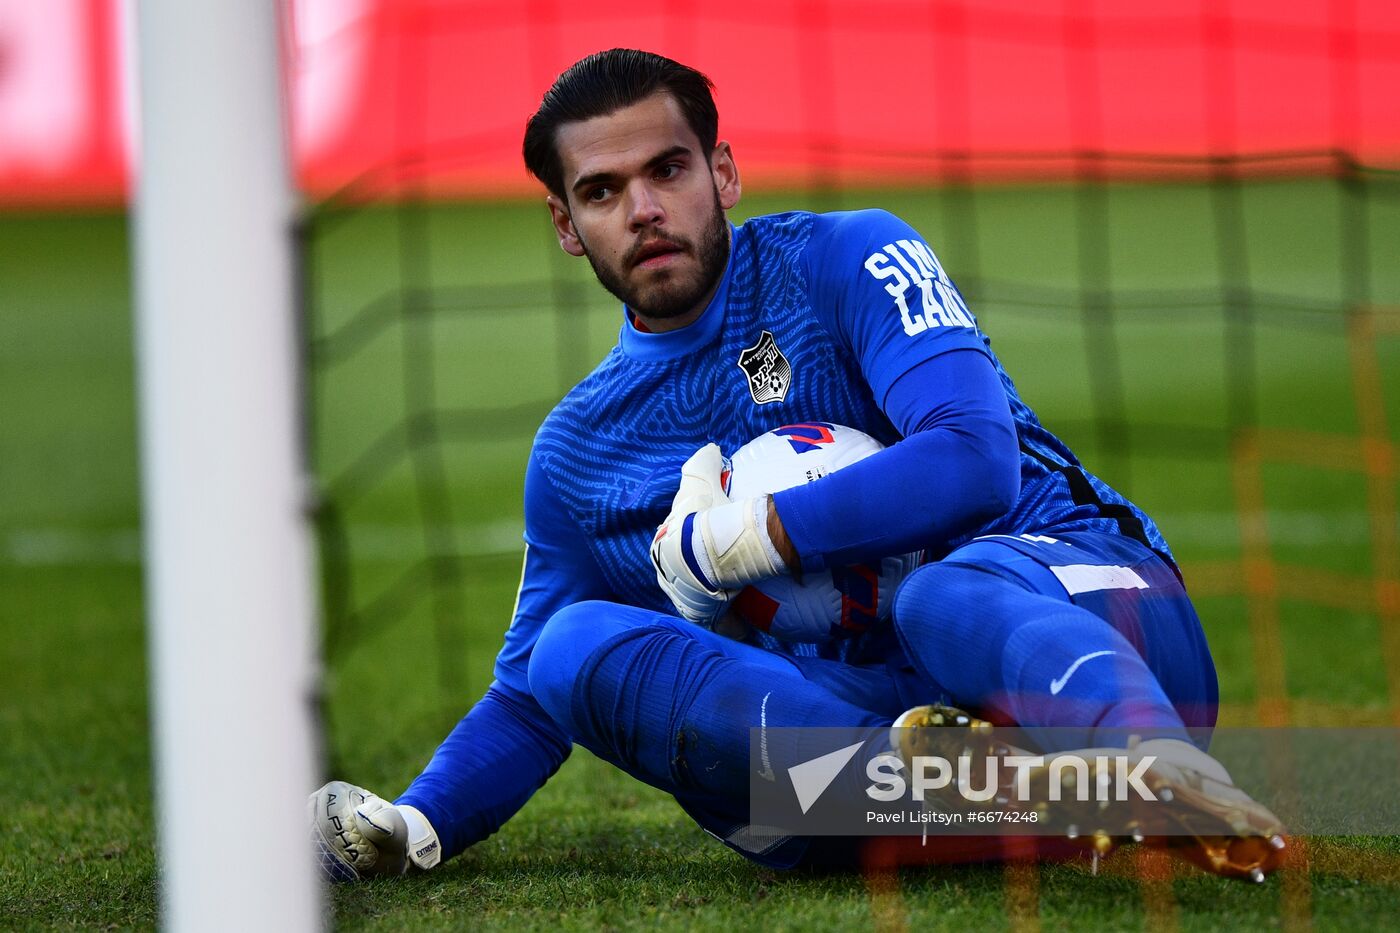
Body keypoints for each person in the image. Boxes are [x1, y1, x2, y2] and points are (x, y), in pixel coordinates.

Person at [311, 48, 1284, 885]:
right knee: (572, 647)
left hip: (1084, 613)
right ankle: (1009, 803)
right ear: (566, 227)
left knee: (937, 597)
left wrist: (748, 541)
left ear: (722, 174)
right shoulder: (582, 451)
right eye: (603, 192)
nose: (643, 209)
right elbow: (529, 695)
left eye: (668, 170)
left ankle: (1148, 764)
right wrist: (417, 827)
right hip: (885, 722)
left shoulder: (848, 258)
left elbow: (972, 459)